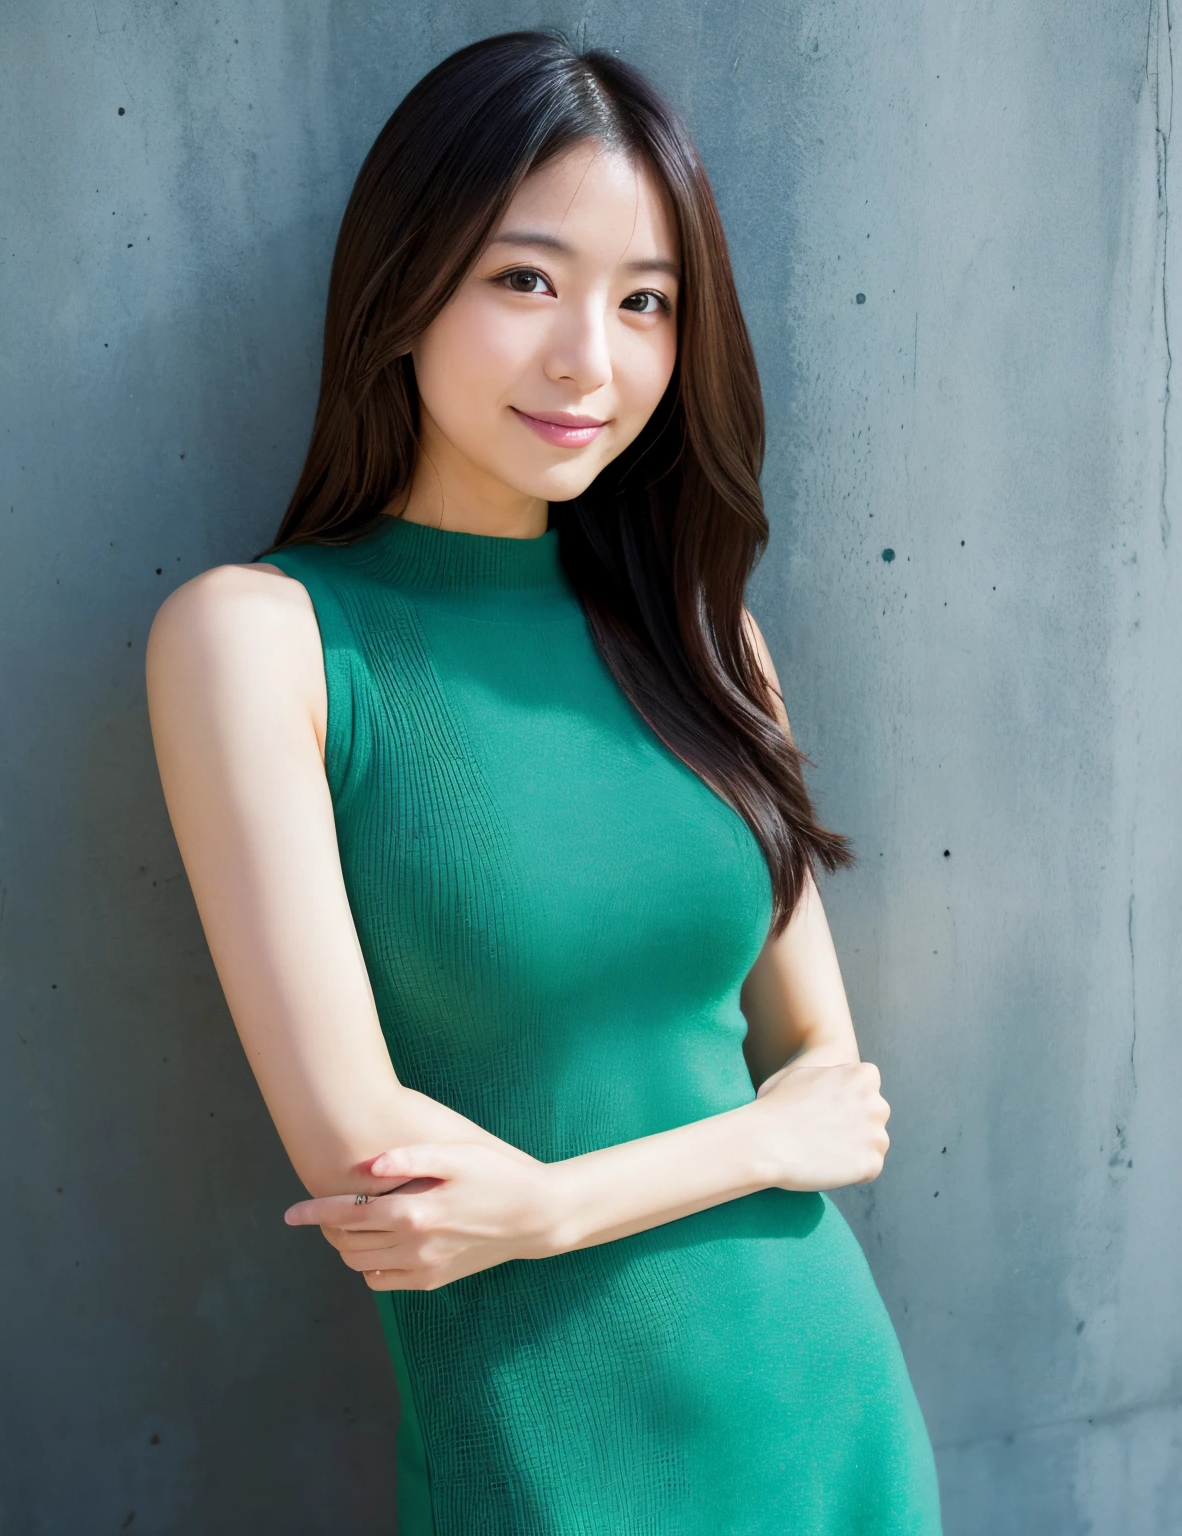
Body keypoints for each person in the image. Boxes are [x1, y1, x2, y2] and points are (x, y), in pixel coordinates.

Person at [146, 30, 942, 1535]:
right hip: (551, 1460)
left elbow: (829, 1086)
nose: (593, 356)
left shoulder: (707, 642)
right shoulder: (260, 641)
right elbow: (376, 1175)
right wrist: (763, 1143)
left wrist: (554, 1203)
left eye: (647, 301)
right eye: (527, 280)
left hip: (827, 1416)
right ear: (402, 287)